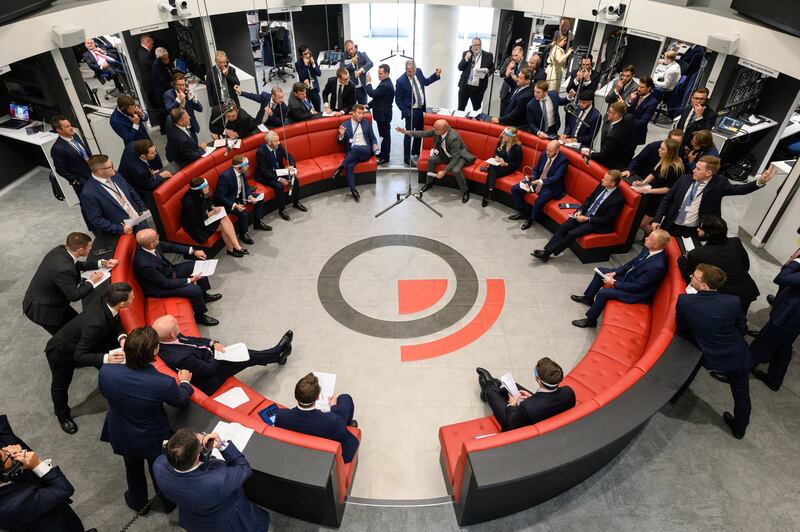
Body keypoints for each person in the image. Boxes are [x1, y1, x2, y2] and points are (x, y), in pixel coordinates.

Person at [99, 326, 193, 514]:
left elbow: (105, 393)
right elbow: (181, 400)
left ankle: (139, 504)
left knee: (132, 468)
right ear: (155, 351)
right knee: (159, 468)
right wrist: (184, 383)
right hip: (152, 437)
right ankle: (167, 503)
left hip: (121, 432)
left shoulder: (106, 371)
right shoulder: (162, 382)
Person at [674, 264, 752, 439]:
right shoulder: (733, 301)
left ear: (704, 285)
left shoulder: (684, 301)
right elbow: (742, 328)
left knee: (688, 373)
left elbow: (682, 330)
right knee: (741, 394)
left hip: (703, 352)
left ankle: (675, 397)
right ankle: (739, 429)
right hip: (736, 354)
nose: (691, 277)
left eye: (694, 276)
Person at [43, 282, 131, 434]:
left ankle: (109, 390)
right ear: (123, 303)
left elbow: (116, 319)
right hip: (61, 352)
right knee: (60, 385)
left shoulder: (108, 300)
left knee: (106, 367)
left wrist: (122, 337)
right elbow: (80, 355)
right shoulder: (95, 325)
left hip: (85, 342)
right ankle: (62, 415)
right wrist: (107, 358)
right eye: (132, 297)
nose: (134, 297)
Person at [153, 429, 271, 531]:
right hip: (226, 523)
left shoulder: (158, 466)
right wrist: (221, 444)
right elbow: (244, 467)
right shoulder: (218, 480)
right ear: (200, 455)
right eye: (201, 440)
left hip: (193, 520)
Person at [153, 314, 293, 395]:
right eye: (176, 325)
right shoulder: (179, 358)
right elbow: (208, 370)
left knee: (242, 353)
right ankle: (277, 353)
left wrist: (212, 343)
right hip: (209, 379)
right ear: (172, 333)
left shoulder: (166, 338)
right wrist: (218, 353)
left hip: (207, 358)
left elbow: (194, 340)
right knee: (243, 356)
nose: (179, 326)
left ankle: (277, 354)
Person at [0, 415, 91, 531]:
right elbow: (63, 489)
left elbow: (6, 438)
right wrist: (37, 464)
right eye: (5, 454)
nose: (7, 449)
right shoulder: (10, 506)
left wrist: (9, 454)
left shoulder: (6, 464)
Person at [653, 156, 775, 237]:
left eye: (698, 169)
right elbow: (667, 199)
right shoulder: (685, 179)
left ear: (708, 173)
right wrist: (657, 219)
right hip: (671, 224)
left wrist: (760, 182)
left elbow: (740, 189)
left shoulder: (719, 184)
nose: (694, 170)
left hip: (694, 230)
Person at [571, 229, 671, 328]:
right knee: (600, 271)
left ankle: (591, 321)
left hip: (636, 293)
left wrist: (614, 283)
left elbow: (638, 287)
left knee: (603, 293)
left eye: (649, 238)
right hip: (629, 277)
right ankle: (588, 298)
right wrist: (615, 272)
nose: (646, 238)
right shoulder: (648, 248)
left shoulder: (657, 266)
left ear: (656, 245)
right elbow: (632, 263)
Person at [23, 232, 117, 335]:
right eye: (89, 247)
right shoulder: (64, 269)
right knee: (67, 337)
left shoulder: (61, 250)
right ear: (81, 250)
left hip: (54, 302)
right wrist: (91, 281)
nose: (91, 249)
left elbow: (75, 264)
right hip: (43, 311)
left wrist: (101, 263)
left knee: (79, 325)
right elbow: (74, 295)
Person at [133, 228, 221, 327]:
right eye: (156, 237)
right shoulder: (144, 264)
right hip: (159, 288)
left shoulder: (151, 245)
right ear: (150, 244)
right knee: (195, 290)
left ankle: (204, 296)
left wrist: (193, 251)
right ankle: (200, 316)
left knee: (198, 267)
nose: (158, 236)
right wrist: (189, 280)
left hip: (168, 273)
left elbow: (171, 247)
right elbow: (165, 283)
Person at [532, 170, 625, 262]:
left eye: (605, 179)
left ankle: (548, 253)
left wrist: (587, 219)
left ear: (612, 183)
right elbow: (589, 199)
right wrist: (580, 210)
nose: (602, 180)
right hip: (584, 213)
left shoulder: (618, 199)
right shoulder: (601, 186)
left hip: (596, 222)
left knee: (572, 233)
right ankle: (547, 251)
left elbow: (607, 219)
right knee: (564, 226)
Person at [678, 216, 759, 312]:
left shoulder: (697, 254)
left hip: (722, 299)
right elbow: (746, 266)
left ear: (708, 234)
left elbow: (689, 274)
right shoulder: (735, 242)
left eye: (701, 228)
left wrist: (682, 258)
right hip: (745, 292)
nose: (697, 229)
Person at [275, 373, 359, 463]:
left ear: (295, 395)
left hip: (295, 454)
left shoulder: (281, 415)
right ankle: (349, 425)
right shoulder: (332, 421)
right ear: (318, 397)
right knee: (345, 398)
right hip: (329, 457)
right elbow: (339, 423)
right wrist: (334, 406)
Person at [474, 359, 575, 432]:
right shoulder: (569, 393)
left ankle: (489, 387)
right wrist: (532, 397)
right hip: (540, 413)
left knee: (492, 393)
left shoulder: (528, 407)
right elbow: (549, 404)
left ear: (538, 380)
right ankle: (494, 386)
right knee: (515, 387)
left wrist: (512, 405)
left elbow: (511, 424)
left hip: (515, 422)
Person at [749, 251, 800, 392]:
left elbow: (781, 278)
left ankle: (735, 374)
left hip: (787, 317)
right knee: (784, 347)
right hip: (794, 321)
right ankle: (774, 379)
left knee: (760, 345)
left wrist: (796, 262)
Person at [397, 119, 476, 203]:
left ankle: (465, 191)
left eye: (436, 129)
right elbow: (423, 133)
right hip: (445, 154)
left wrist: (444, 171)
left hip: (459, 156)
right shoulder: (436, 130)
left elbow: (455, 158)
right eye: (434, 128)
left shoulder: (453, 138)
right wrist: (407, 132)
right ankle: (429, 183)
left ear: (444, 129)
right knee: (431, 160)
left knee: (456, 170)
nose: (434, 130)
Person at [80, 155, 149, 250]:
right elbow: (96, 220)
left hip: (140, 220)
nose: (114, 168)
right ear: (100, 171)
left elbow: (130, 190)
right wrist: (120, 229)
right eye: (110, 166)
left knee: (152, 246)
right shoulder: (88, 193)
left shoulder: (115, 174)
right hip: (125, 231)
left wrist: (142, 208)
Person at [181, 177, 247, 257]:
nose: (208, 187)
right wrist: (211, 213)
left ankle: (233, 248)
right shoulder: (188, 201)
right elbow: (196, 220)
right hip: (196, 227)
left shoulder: (200, 194)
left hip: (204, 218)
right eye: (205, 186)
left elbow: (208, 202)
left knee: (224, 219)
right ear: (199, 189)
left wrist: (213, 208)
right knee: (224, 222)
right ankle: (234, 248)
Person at [510, 139, 568, 228]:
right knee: (515, 189)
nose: (547, 153)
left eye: (550, 151)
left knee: (539, 201)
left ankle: (531, 219)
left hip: (550, 185)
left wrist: (541, 181)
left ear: (557, 151)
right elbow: (536, 169)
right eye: (547, 149)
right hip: (537, 180)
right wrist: (533, 177)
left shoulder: (563, 160)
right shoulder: (544, 153)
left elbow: (557, 177)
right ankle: (523, 212)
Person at [631, 138, 684, 233]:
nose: (659, 150)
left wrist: (648, 190)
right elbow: (653, 173)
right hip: (652, 195)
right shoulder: (663, 159)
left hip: (659, 200)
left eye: (662, 149)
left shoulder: (675, 169)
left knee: (642, 224)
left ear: (670, 152)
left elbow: (668, 189)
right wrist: (643, 183)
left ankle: (655, 239)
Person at [395, 60, 442, 165]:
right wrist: (406, 112)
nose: (411, 73)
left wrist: (436, 75)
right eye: (409, 71)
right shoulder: (400, 81)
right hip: (410, 112)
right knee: (408, 134)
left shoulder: (419, 72)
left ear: (416, 69)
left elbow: (425, 82)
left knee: (420, 132)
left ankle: (415, 152)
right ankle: (407, 158)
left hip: (421, 109)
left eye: (412, 71)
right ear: (406, 70)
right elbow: (398, 100)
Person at [214, 155, 271, 242]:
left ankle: (257, 223)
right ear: (239, 167)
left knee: (259, 199)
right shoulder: (225, 177)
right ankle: (242, 234)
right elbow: (221, 197)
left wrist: (250, 196)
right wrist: (235, 205)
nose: (248, 166)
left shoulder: (242, 172)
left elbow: (246, 187)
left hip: (240, 195)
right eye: (246, 165)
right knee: (243, 213)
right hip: (229, 201)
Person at [255, 131, 307, 219]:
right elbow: (264, 171)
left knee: (296, 180)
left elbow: (289, 156)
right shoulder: (261, 152)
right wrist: (279, 179)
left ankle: (296, 202)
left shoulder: (279, 146)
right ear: (269, 143)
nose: (279, 142)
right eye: (276, 141)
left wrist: (291, 165)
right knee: (279, 186)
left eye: (278, 140)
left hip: (279, 171)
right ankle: (282, 210)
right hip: (266, 175)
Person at [333, 104, 378, 202]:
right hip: (351, 153)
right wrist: (341, 135)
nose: (361, 115)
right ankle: (353, 190)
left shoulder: (366, 123)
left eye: (362, 113)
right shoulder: (344, 125)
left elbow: (373, 138)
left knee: (357, 148)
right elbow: (339, 142)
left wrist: (375, 145)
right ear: (353, 113)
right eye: (359, 113)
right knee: (349, 166)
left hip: (365, 151)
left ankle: (341, 167)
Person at [582, 100, 634, 170]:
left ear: (616, 115)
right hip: (608, 154)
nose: (607, 113)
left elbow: (603, 156)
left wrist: (589, 153)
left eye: (609, 112)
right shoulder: (618, 121)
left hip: (611, 164)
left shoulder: (614, 135)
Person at [50, 116, 92, 195]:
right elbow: (60, 169)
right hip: (82, 181)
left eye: (70, 125)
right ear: (59, 130)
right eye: (67, 127)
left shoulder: (75, 135)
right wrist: (74, 180)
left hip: (93, 173)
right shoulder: (57, 149)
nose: (72, 128)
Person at [482, 127, 522, 207]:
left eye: (506, 134)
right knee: (492, 169)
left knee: (491, 172)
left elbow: (517, 164)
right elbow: (496, 152)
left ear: (511, 137)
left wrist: (506, 164)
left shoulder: (517, 148)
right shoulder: (501, 142)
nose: (503, 135)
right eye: (504, 133)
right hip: (498, 164)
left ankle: (488, 194)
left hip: (508, 167)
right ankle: (491, 191)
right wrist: (496, 156)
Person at [364, 65, 395, 165]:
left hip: (383, 115)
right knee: (383, 135)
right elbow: (378, 98)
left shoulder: (385, 86)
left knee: (385, 136)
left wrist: (368, 82)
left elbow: (372, 93)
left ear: (387, 73)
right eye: (378, 73)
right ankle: (382, 153)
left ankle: (385, 157)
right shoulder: (384, 83)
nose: (378, 75)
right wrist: (368, 106)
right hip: (382, 114)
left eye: (381, 73)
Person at [457, 37, 495, 111]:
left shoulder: (488, 55)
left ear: (481, 45)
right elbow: (460, 68)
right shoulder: (466, 53)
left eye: (477, 45)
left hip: (478, 87)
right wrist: (466, 59)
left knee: (476, 109)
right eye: (474, 45)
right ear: (471, 46)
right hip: (465, 86)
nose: (475, 47)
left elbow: (492, 68)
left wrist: (487, 71)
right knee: (460, 109)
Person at [675, 87, 716, 151]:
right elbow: (680, 127)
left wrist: (699, 117)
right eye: (696, 98)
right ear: (692, 98)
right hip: (679, 144)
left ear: (706, 100)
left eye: (702, 99)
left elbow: (704, 134)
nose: (698, 101)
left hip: (693, 148)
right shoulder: (687, 109)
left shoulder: (711, 114)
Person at [627, 76, 658, 146]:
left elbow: (642, 122)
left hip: (636, 133)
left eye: (642, 87)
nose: (638, 89)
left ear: (649, 88)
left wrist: (627, 120)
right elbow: (629, 111)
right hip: (627, 129)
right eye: (639, 86)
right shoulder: (636, 95)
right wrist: (630, 100)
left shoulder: (652, 102)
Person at [341, 39, 373, 104]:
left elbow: (370, 63)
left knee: (363, 108)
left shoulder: (362, 54)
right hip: (351, 89)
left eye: (351, 48)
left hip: (362, 89)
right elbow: (342, 70)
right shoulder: (343, 56)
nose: (350, 51)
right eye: (348, 50)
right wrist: (352, 63)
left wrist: (361, 70)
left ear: (354, 46)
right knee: (351, 109)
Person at [151, 47, 176, 133]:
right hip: (163, 93)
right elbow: (163, 81)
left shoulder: (161, 64)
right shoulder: (157, 66)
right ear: (160, 58)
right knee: (167, 113)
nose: (168, 59)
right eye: (166, 58)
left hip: (164, 91)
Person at [499, 46, 525, 116]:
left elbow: (522, 80)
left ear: (521, 54)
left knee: (511, 116)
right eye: (513, 55)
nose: (514, 57)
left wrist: (513, 76)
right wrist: (508, 68)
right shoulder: (509, 60)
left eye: (516, 55)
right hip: (505, 92)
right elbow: (501, 74)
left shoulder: (526, 64)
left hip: (516, 93)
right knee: (502, 115)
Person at [295, 44, 322, 111]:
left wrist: (313, 64)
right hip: (305, 91)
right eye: (305, 54)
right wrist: (306, 65)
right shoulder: (298, 64)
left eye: (308, 52)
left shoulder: (312, 60)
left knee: (318, 107)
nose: (307, 55)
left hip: (314, 89)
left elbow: (319, 73)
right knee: (306, 109)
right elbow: (302, 77)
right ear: (301, 56)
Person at [135, 34, 155, 109]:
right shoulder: (146, 55)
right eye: (152, 43)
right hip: (151, 83)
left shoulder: (139, 50)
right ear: (148, 42)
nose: (152, 46)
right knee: (156, 105)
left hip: (147, 82)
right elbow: (155, 66)